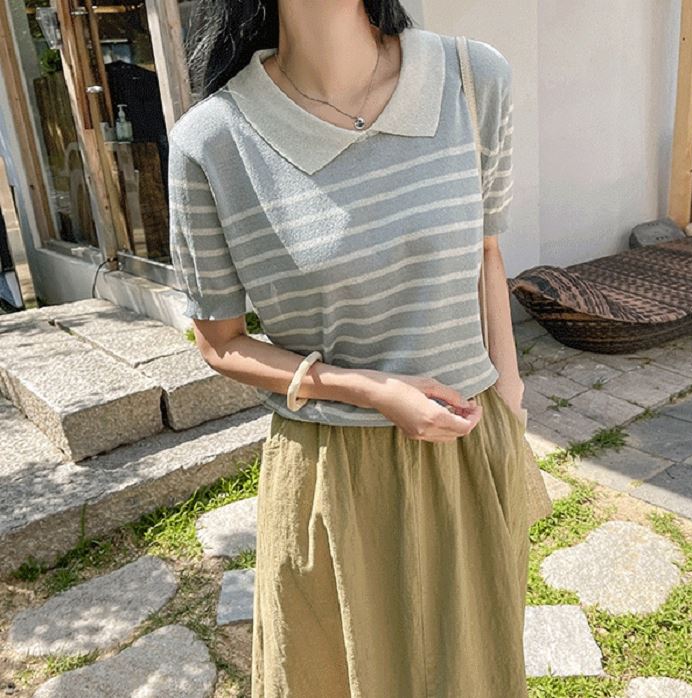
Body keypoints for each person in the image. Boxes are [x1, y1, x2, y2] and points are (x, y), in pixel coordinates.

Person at [169, 1, 528, 695]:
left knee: (473, 670)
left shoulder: (472, 77)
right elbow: (219, 342)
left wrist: (508, 395)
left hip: (469, 450)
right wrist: (368, 389)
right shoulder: (211, 142)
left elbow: (487, 250)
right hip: (333, 476)